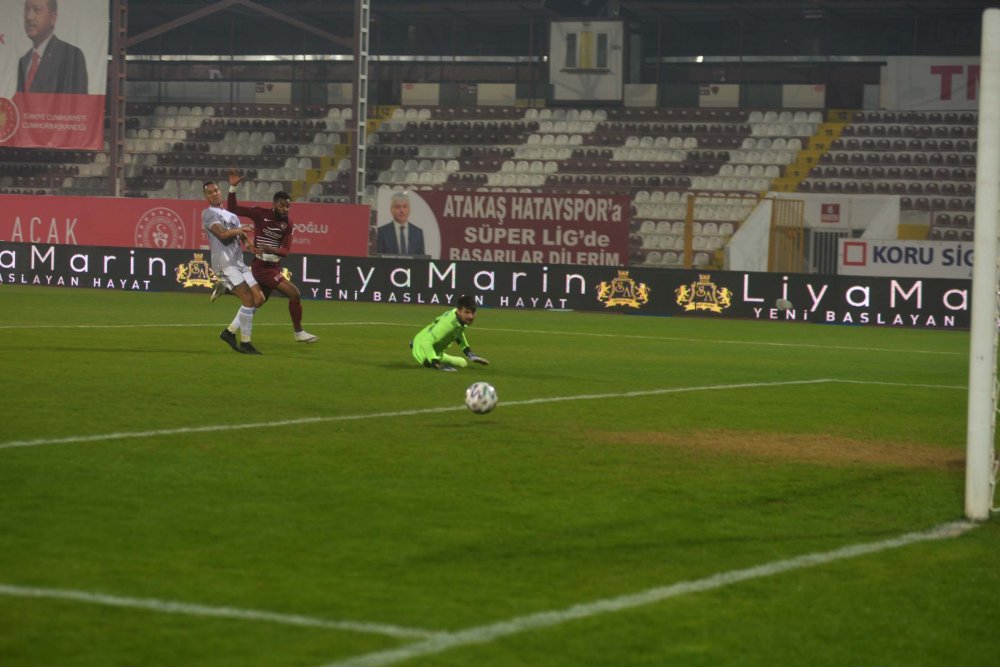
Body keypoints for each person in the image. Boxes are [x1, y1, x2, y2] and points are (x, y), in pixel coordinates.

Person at [220, 168, 319, 344]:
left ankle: (229, 331)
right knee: (294, 294)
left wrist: (269, 248)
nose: (285, 208)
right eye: (282, 205)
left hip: (274, 266)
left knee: (257, 302)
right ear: (274, 204)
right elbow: (233, 208)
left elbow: (286, 251)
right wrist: (233, 188)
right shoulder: (260, 214)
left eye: (288, 205)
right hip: (262, 267)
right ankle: (298, 332)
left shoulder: (288, 223)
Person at [202, 179, 265, 355]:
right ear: (206, 196)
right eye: (210, 192)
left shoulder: (232, 216)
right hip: (224, 265)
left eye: (216, 190)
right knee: (248, 299)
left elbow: (241, 236)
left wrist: (250, 245)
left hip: (239, 263)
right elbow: (223, 234)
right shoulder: (208, 214)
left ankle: (229, 332)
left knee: (259, 298)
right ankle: (245, 342)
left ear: (220, 192)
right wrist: (241, 229)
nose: (214, 194)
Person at [17, 0, 88, 95]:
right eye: (27, 10)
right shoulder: (24, 61)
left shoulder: (71, 56)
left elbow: (78, 101)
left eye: (37, 10)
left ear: (52, 18)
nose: (29, 17)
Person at [411, 295, 490, 371]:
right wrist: (435, 362)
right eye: (467, 312)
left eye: (473, 313)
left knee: (463, 363)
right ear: (458, 311)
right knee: (428, 363)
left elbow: (458, 334)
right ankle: (416, 344)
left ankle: (433, 356)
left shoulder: (460, 319)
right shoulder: (447, 324)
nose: (471, 317)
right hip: (423, 349)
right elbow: (426, 341)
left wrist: (469, 353)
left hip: (437, 352)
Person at [376, 191, 425, 256]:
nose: (402, 210)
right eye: (398, 207)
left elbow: (422, 259)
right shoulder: (382, 232)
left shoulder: (418, 232)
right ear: (391, 210)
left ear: (409, 210)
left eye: (405, 207)